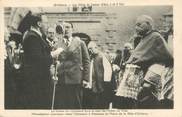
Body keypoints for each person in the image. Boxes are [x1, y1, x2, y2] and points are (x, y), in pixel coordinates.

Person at [125, 15, 173, 109]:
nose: (136, 28)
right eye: (135, 25)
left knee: (148, 102)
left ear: (149, 24)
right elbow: (138, 55)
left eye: (139, 25)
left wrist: (132, 62)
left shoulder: (155, 36)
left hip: (153, 75)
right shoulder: (143, 38)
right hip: (143, 76)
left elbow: (163, 58)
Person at [22, 13, 62, 109]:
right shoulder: (32, 37)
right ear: (39, 24)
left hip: (39, 80)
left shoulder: (37, 36)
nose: (47, 25)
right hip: (36, 82)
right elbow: (38, 59)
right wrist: (54, 54)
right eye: (46, 22)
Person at [53, 22, 90, 109]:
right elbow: (54, 61)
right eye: (64, 27)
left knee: (76, 105)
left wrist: (86, 78)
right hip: (62, 78)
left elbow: (86, 61)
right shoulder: (57, 44)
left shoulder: (80, 43)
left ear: (72, 29)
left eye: (68, 27)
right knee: (62, 105)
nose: (66, 29)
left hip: (76, 79)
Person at [87, 42, 113, 109]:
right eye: (89, 49)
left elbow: (108, 70)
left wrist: (106, 84)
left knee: (101, 103)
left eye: (91, 49)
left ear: (96, 48)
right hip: (94, 84)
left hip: (102, 84)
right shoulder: (92, 57)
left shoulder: (102, 56)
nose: (90, 51)